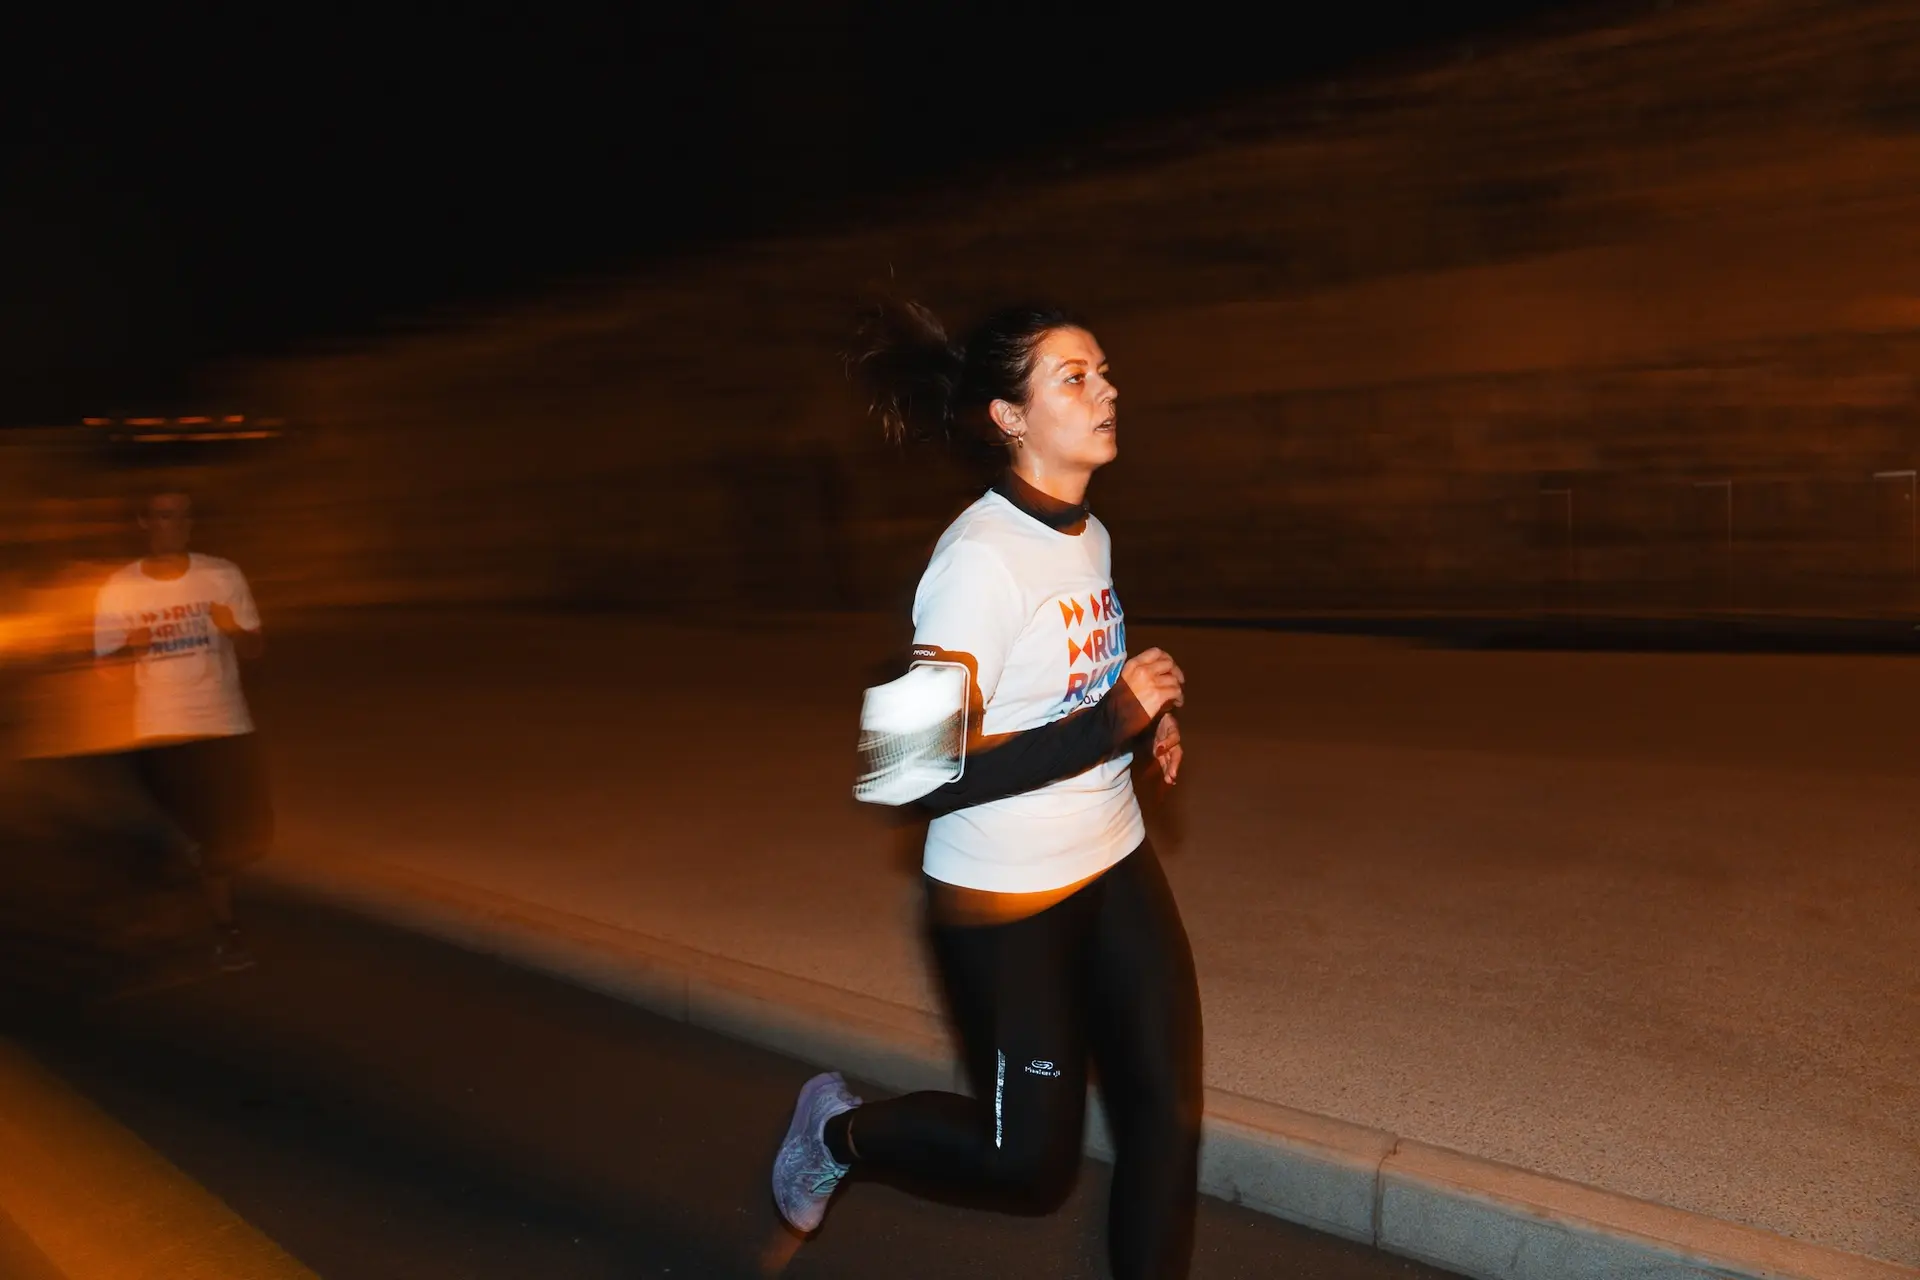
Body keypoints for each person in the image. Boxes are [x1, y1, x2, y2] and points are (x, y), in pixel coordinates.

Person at [772, 302, 1202, 1278]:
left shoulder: (1087, 531)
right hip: (1008, 902)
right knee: (1026, 1166)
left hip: (1116, 860)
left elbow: (1059, 682)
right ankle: (838, 1133)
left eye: (1104, 369)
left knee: (1166, 1121)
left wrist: (1139, 722)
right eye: (1074, 377)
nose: (1107, 390)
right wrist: (1109, 723)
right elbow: (906, 776)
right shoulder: (975, 562)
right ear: (1011, 416)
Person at [94, 489, 272, 972]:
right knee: (217, 841)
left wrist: (233, 628)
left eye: (183, 516)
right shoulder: (120, 588)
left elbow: (255, 647)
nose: (174, 525)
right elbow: (105, 670)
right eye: (163, 516)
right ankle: (227, 931)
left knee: (256, 836)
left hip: (226, 720)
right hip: (165, 728)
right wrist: (130, 647)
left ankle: (199, 859)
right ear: (143, 522)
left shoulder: (222, 574)